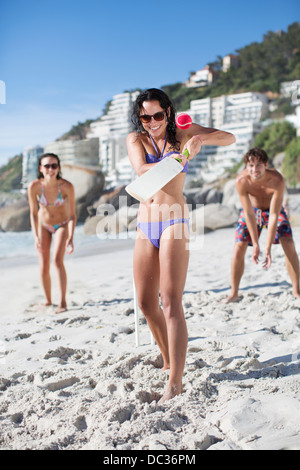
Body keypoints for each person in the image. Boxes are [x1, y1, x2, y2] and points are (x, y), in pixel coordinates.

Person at [127, 88, 235, 403]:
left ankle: (175, 382)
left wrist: (200, 142)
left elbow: (228, 138)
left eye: (157, 115)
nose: (151, 122)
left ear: (168, 112)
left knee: (171, 301)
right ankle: (167, 357)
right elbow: (141, 170)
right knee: (147, 304)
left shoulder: (183, 132)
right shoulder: (137, 140)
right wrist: (173, 159)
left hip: (174, 220)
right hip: (146, 224)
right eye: (145, 117)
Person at [225, 147, 300, 303]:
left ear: (266, 165)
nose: (254, 169)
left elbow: (274, 214)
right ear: (246, 167)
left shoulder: (277, 180)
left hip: (273, 211)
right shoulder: (241, 181)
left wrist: (267, 247)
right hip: (252, 211)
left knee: (288, 243)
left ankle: (296, 289)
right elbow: (248, 214)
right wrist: (256, 244)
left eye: (258, 165)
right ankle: (234, 293)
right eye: (250, 166)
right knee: (239, 246)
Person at [28, 153, 76, 313]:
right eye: (47, 166)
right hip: (43, 226)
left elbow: (72, 215)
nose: (50, 169)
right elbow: (33, 213)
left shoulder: (67, 187)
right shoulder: (34, 187)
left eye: (54, 165)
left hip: (62, 224)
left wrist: (70, 236)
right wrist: (35, 236)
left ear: (58, 168)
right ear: (41, 168)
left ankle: (62, 303)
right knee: (43, 266)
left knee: (57, 260)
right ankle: (48, 301)